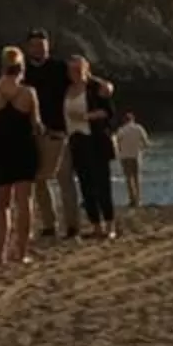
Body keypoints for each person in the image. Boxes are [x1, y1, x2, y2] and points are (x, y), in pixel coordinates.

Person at [0, 47, 42, 270]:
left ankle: (0, 253)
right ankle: (22, 253)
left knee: (2, 206)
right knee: (24, 203)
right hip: (24, 150)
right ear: (21, 68)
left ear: (2, 66)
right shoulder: (28, 93)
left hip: (1, 150)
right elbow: (36, 125)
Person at [23, 26, 76, 240]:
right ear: (28, 48)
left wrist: (103, 86)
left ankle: (72, 226)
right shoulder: (23, 71)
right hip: (34, 132)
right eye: (35, 46)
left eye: (43, 46)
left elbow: (82, 80)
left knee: (65, 179)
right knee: (39, 181)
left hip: (59, 131)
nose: (40, 49)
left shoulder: (59, 67)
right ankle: (49, 224)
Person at [64, 57, 118, 240]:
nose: (75, 73)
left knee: (102, 183)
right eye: (72, 70)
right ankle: (96, 226)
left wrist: (86, 116)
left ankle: (110, 225)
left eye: (79, 69)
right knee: (86, 185)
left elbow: (108, 112)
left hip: (95, 140)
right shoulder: (66, 89)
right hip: (76, 140)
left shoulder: (95, 88)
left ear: (86, 69)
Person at [113, 104, 153, 209]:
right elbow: (146, 142)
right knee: (137, 178)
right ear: (133, 119)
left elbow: (117, 143)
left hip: (125, 156)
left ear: (124, 120)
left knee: (129, 178)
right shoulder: (138, 128)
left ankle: (132, 199)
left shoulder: (121, 130)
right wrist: (144, 148)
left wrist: (119, 152)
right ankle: (139, 200)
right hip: (136, 155)